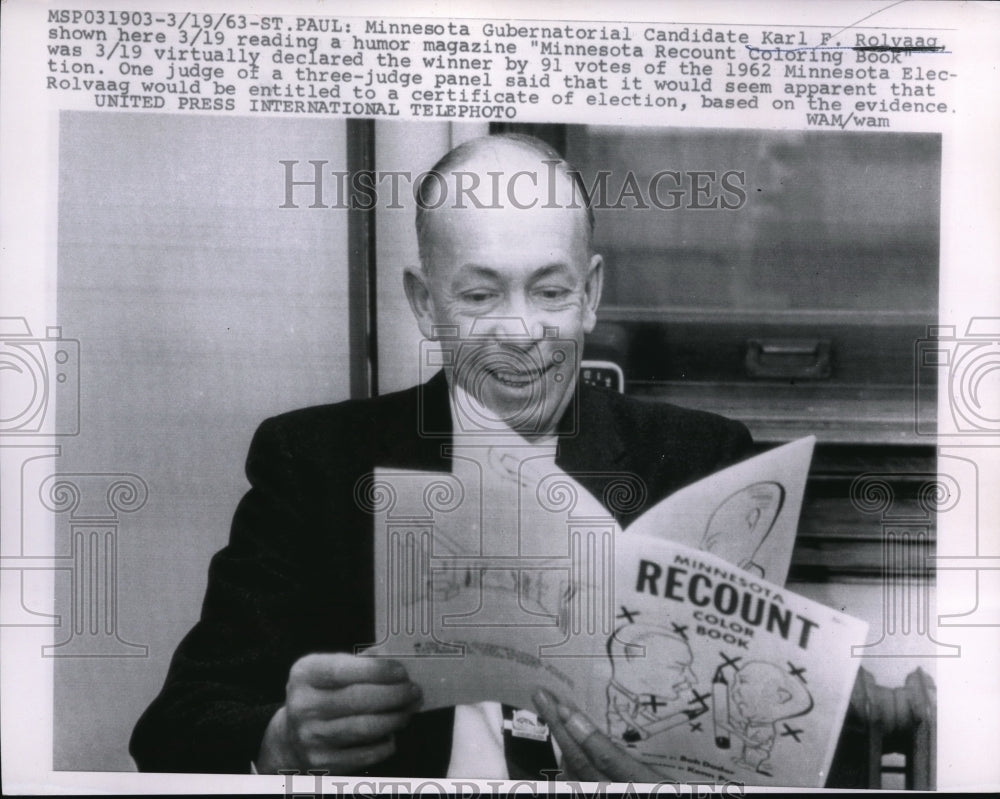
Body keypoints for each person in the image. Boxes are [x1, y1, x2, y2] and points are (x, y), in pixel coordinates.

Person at [129, 133, 753, 780]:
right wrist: (278, 739)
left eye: (549, 292)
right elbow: (173, 729)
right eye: (480, 296)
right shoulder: (313, 465)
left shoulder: (697, 461)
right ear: (426, 304)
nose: (520, 334)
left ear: (590, 295)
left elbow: (749, 734)